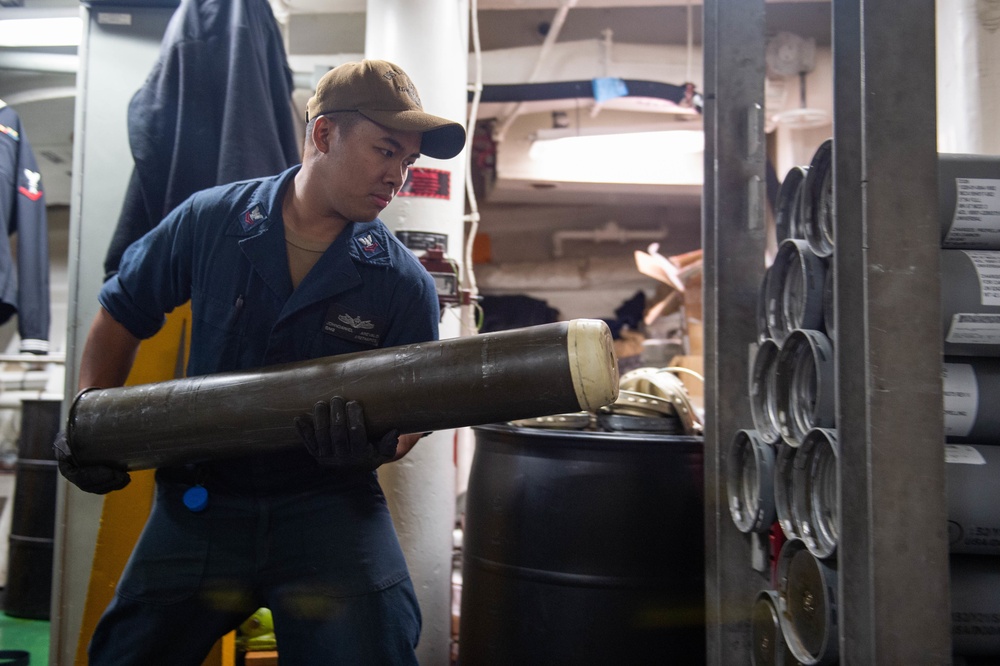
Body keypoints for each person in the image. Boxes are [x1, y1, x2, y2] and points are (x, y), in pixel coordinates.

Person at [55, 59, 466, 665]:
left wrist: (379, 445)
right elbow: (122, 311)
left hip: (326, 504)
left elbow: (415, 411)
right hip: (201, 500)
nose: (397, 176)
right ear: (324, 135)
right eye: (385, 151)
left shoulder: (403, 284)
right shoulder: (212, 221)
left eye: (407, 162)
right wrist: (91, 418)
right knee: (126, 654)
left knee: (378, 641)